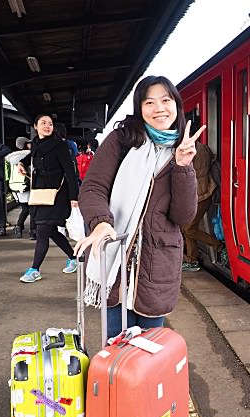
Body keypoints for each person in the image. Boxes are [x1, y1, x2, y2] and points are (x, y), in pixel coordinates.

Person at [75, 75, 203, 340]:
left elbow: (183, 215)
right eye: (149, 102)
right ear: (140, 108)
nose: (159, 108)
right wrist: (100, 222)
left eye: (165, 100)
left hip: (156, 267)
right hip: (114, 255)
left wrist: (183, 166)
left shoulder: (185, 149)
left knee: (148, 357)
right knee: (115, 349)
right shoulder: (122, 140)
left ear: (176, 106)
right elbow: (93, 187)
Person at [16, 114, 80, 283]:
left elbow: (70, 172)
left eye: (50, 124)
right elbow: (29, 157)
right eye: (43, 123)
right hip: (40, 194)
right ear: (35, 126)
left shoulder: (60, 146)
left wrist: (74, 196)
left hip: (57, 195)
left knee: (43, 230)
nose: (47, 126)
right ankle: (74, 258)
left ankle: (34, 269)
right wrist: (21, 164)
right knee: (49, 230)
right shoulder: (36, 144)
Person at [181, 142, 223, 272]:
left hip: (199, 195)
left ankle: (218, 245)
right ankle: (192, 259)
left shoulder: (188, 152)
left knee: (189, 229)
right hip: (206, 191)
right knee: (188, 227)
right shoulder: (203, 148)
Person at [6, 137, 36, 239]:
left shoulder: (10, 158)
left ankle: (19, 227)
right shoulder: (28, 156)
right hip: (26, 185)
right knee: (33, 209)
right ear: (25, 144)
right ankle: (33, 231)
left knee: (25, 208)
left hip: (15, 186)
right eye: (29, 143)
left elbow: (7, 173)